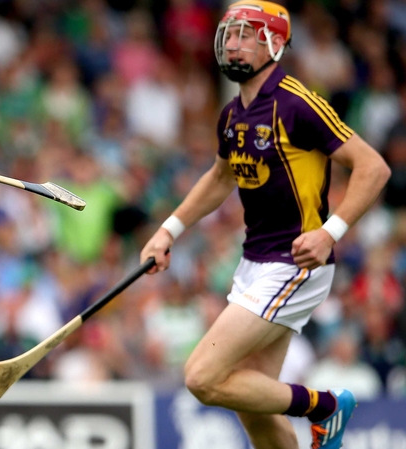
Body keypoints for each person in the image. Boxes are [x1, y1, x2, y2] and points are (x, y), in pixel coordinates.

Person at [140, 2, 391, 448]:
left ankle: (326, 406)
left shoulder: (297, 103)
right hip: (254, 263)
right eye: (229, 35)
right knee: (249, 399)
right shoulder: (232, 113)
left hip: (294, 262)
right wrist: (168, 231)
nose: (232, 44)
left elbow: (373, 168)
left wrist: (330, 231)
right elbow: (220, 178)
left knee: (202, 376)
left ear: (274, 43)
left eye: (245, 35)